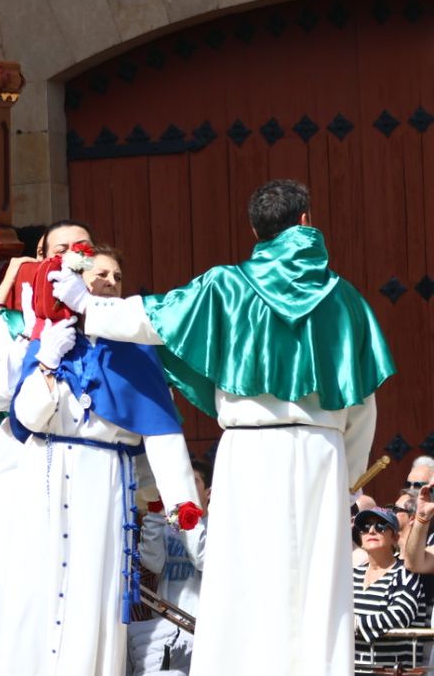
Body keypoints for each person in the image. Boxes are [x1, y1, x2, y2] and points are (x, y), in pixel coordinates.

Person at [51, 180, 393, 676]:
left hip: (248, 451)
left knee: (244, 579)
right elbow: (363, 401)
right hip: (323, 450)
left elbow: (155, 319)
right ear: (305, 221)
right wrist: (347, 475)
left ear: (255, 230)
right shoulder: (345, 300)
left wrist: (88, 304)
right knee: (318, 585)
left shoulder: (226, 286)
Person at [8, 241, 204, 676]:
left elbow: (161, 430)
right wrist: (44, 361)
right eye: (101, 274)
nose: (110, 283)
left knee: (91, 593)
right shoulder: (49, 336)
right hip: (48, 473)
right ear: (77, 280)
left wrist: (181, 504)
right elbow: (27, 419)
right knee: (37, 591)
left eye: (117, 277)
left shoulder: (137, 352)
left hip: (103, 480)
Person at [0, 219, 92, 676]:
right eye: (60, 251)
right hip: (17, 458)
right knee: (16, 579)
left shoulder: (102, 322)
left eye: (81, 250)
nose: (71, 260)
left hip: (81, 464)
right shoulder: (12, 323)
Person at [128, 460, 210, 676]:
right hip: (166, 631)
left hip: (203, 629)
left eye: (193, 482)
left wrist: (187, 517)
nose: (184, 488)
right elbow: (152, 563)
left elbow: (202, 558)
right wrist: (156, 514)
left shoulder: (218, 525)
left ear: (208, 492)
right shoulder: (173, 523)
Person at [351, 506, 427, 673]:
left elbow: (398, 615)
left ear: (395, 537)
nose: (371, 530)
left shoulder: (406, 574)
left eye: (380, 526)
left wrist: (352, 624)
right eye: (365, 527)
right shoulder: (351, 575)